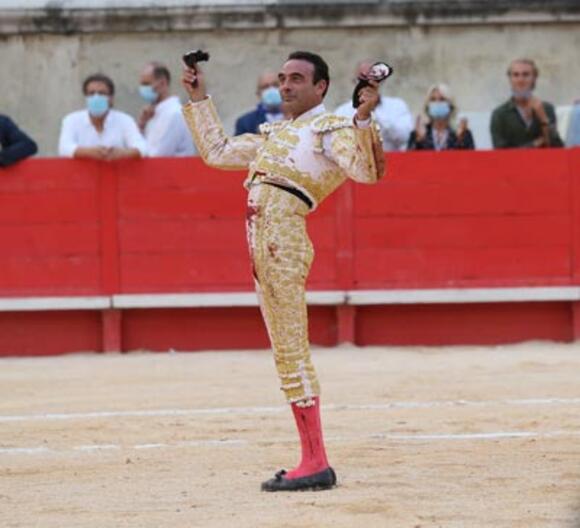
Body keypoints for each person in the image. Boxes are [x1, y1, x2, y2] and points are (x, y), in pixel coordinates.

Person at [181, 51, 385, 492]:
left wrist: (364, 120)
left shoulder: (329, 129)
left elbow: (366, 172)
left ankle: (315, 461)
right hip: (262, 241)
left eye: (296, 78)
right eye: (282, 78)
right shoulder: (277, 133)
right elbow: (217, 152)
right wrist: (199, 98)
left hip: (282, 240)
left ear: (321, 87)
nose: (286, 85)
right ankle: (313, 458)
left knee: (290, 349)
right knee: (285, 348)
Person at [58, 73, 146, 160]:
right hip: (81, 173)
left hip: (117, 172)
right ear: (86, 97)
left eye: (102, 93)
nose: (96, 97)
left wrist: (123, 153)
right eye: (91, 93)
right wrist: (90, 152)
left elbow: (143, 148)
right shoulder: (71, 120)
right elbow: (64, 148)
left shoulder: (125, 120)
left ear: (111, 98)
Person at [335, 59, 412, 151]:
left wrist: (374, 112)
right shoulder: (342, 112)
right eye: (362, 79)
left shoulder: (397, 106)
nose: (368, 83)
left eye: (373, 78)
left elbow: (404, 138)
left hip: (393, 162)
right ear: (354, 81)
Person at [490, 58, 564, 149]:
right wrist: (535, 144)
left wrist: (543, 118)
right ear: (510, 79)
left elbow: (557, 148)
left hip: (544, 162)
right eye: (515, 75)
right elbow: (500, 153)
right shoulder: (499, 114)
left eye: (526, 75)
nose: (520, 80)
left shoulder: (547, 108)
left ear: (534, 78)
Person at [137, 62, 196, 156]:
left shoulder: (174, 114)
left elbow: (158, 155)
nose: (143, 89)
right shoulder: (153, 114)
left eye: (146, 84)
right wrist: (141, 125)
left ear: (162, 83)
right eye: (142, 85)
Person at [407, 83, 475, 150]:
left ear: (450, 105)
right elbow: (408, 160)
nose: (437, 103)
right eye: (433, 100)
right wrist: (419, 141)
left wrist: (460, 141)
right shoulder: (417, 134)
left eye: (442, 99)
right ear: (428, 106)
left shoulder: (463, 134)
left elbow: (470, 159)